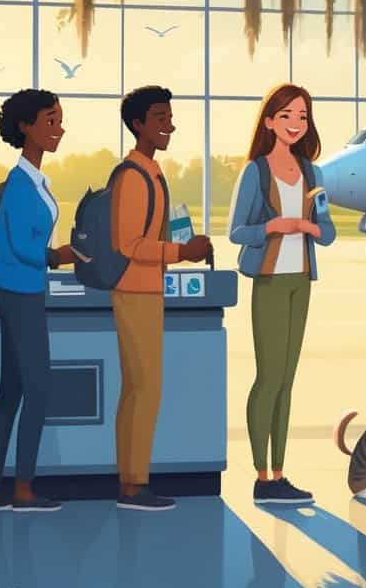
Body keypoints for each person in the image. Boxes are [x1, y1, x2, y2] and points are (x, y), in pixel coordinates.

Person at [228, 84, 336, 505]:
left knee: (288, 381)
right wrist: (274, 227)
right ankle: (260, 476)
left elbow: (326, 232)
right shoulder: (255, 171)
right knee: (269, 378)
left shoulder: (313, 173)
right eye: (287, 115)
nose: (295, 124)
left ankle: (279, 473)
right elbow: (238, 231)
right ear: (269, 120)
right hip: (270, 281)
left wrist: (308, 227)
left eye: (303, 116)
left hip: (300, 280)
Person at [111, 85, 213, 511]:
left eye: (169, 116)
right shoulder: (132, 176)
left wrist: (181, 250)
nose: (168, 125)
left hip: (148, 290)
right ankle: (132, 486)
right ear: (138, 125)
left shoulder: (153, 172)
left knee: (142, 388)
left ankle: (133, 480)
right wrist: (181, 252)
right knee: (143, 389)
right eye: (159, 118)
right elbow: (127, 244)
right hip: (134, 290)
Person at [0, 90, 75, 513]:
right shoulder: (19, 184)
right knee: (38, 387)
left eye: (59, 122)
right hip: (21, 292)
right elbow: (18, 246)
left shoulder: (34, 181)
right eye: (50, 122)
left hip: (20, 289)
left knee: (13, 388)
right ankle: (22, 489)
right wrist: (58, 256)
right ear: (25, 127)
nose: (59, 130)